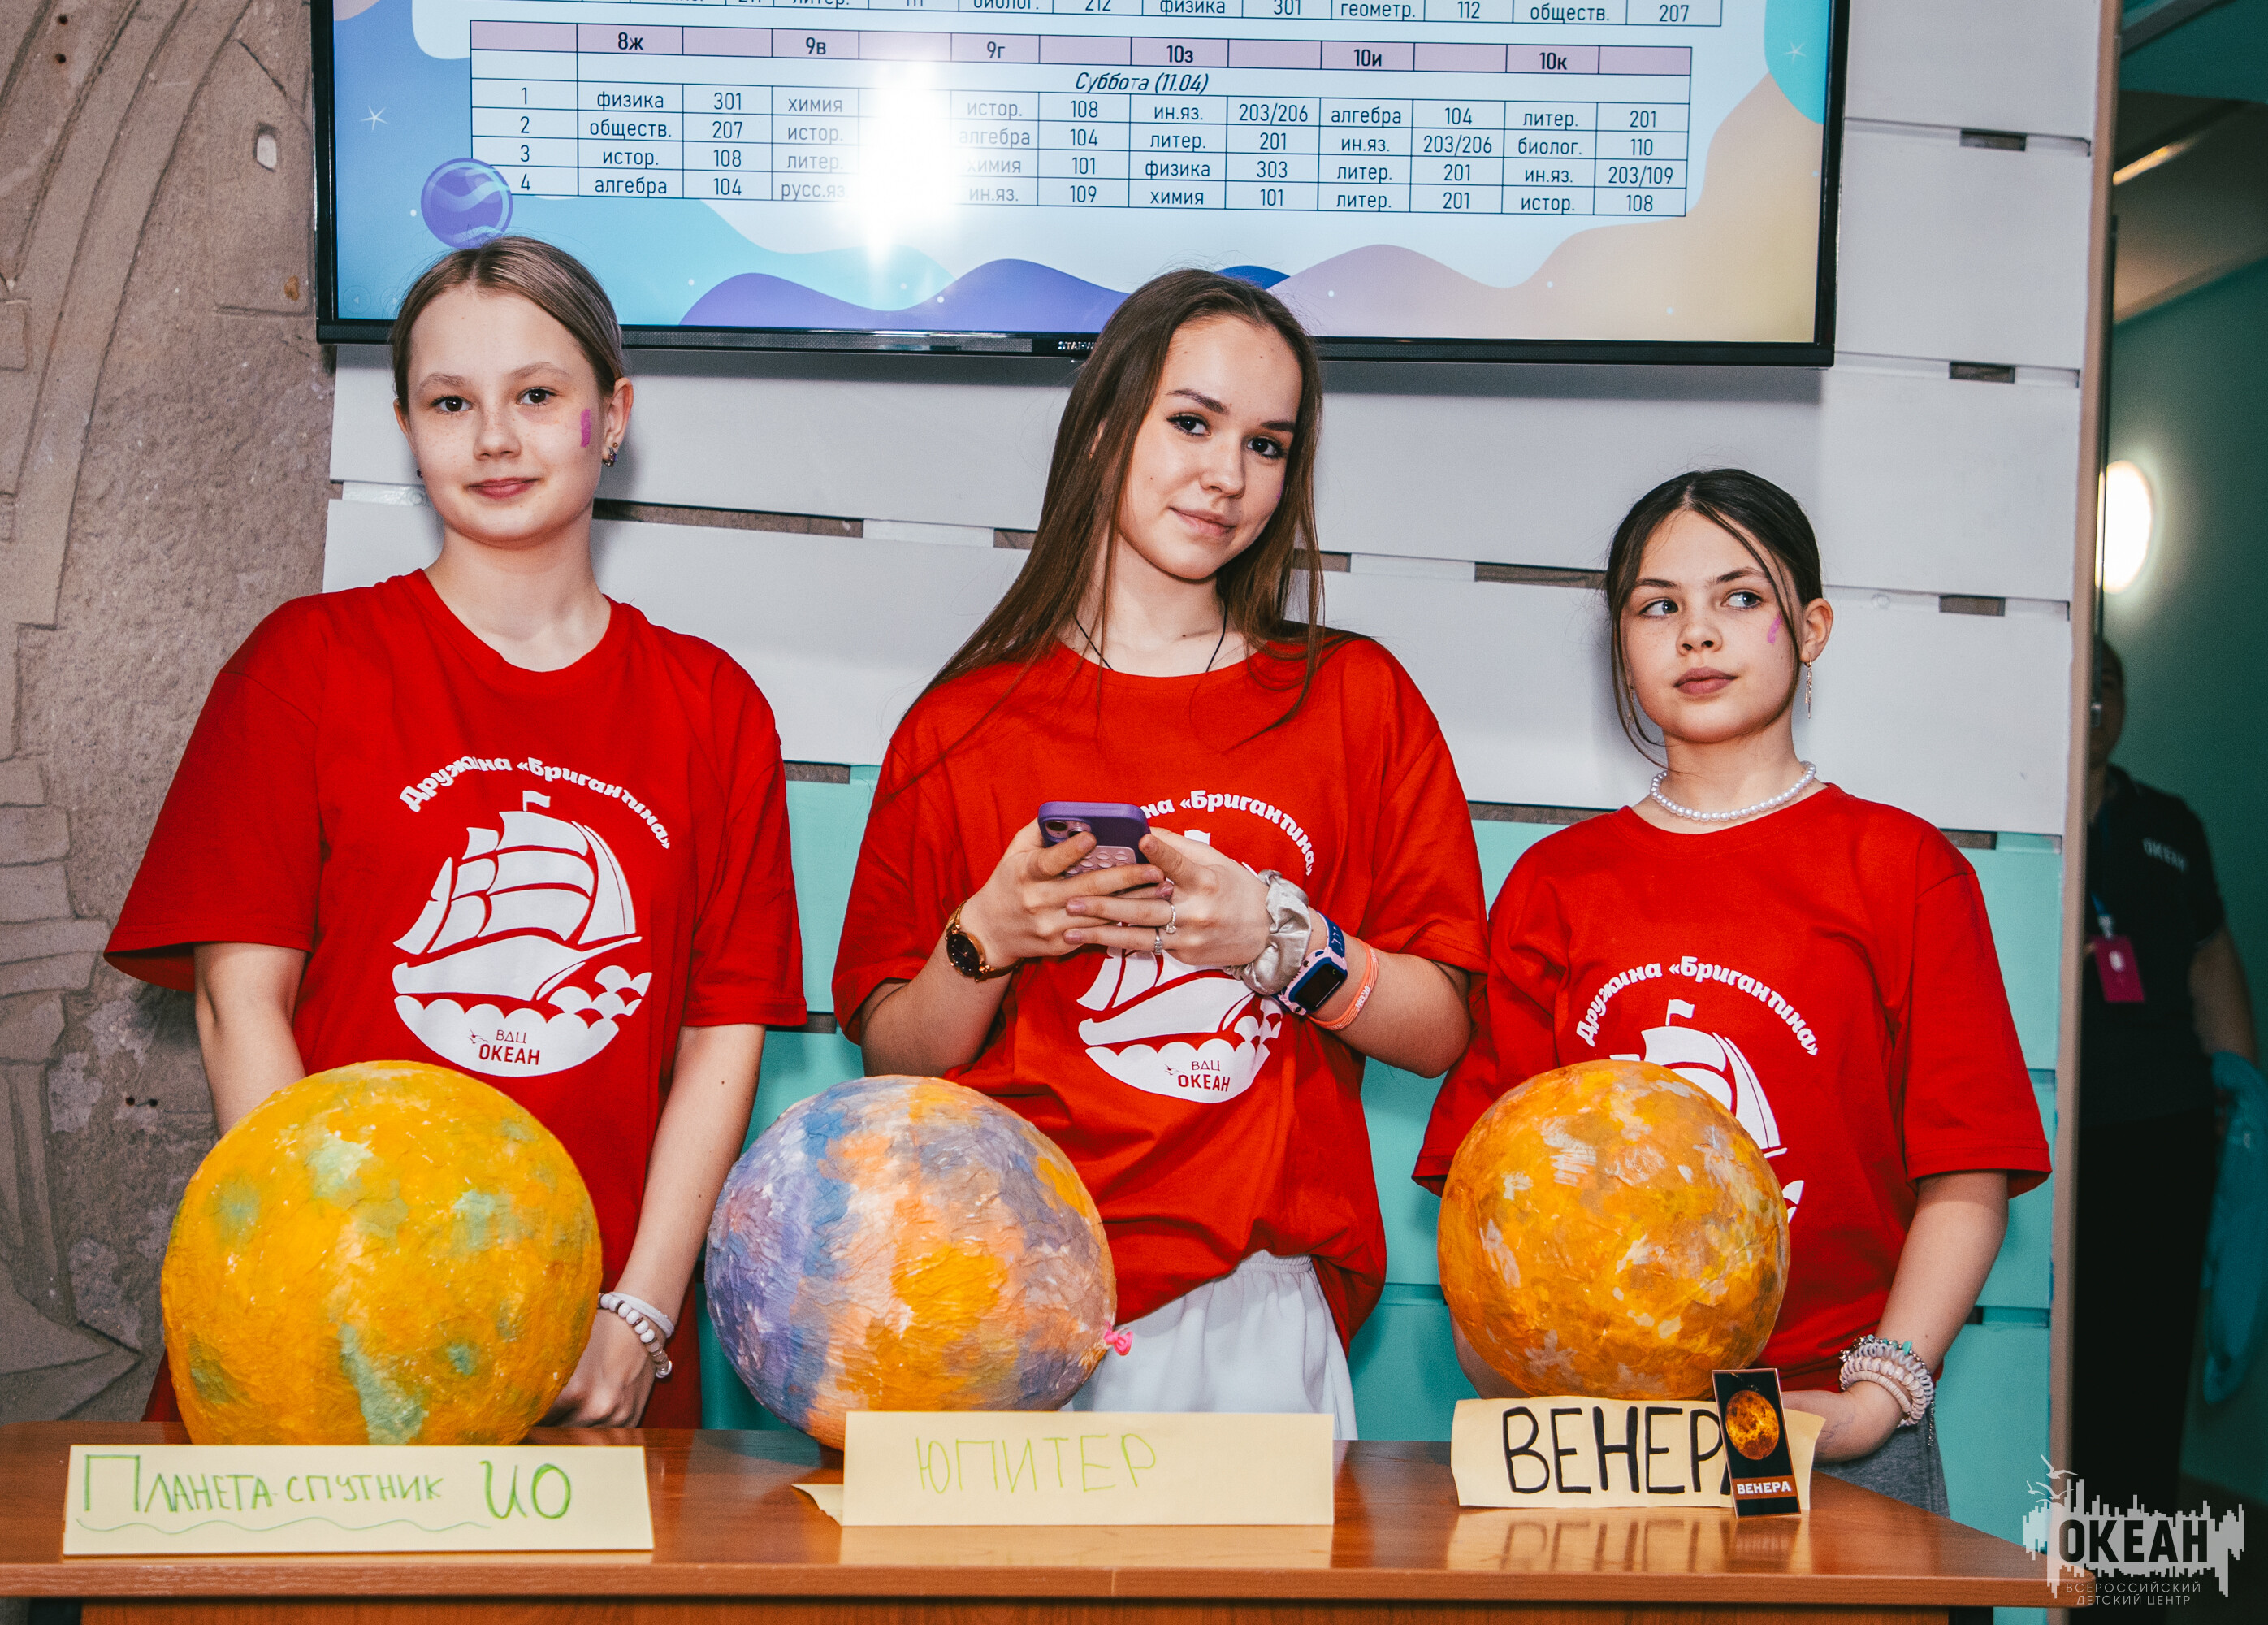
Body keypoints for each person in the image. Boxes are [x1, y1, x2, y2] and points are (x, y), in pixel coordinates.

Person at [106, 238, 806, 1428]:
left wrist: (639, 1316)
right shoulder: (304, 666)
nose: (494, 439)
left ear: (611, 416)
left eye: (536, 395)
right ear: (406, 428)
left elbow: (720, 1040)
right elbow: (238, 1005)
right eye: (449, 403)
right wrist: (341, 1288)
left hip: (591, 1349)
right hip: (320, 1322)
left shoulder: (713, 707)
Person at [832, 270, 1488, 1438]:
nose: (1228, 475)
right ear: (1102, 428)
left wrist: (1278, 942)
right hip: (1003, 1295)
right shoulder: (962, 724)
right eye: (1192, 421)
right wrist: (988, 939)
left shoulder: (1354, 698)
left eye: (1268, 444)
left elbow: (1439, 1028)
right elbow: (894, 1055)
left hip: (1252, 1309)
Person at [1412, 468, 2052, 1511]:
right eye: (1657, 606)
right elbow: (1489, 1185)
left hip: (1811, 1413)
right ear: (1622, 644)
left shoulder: (1903, 867)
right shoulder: (1555, 883)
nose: (1697, 633)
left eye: (1740, 597)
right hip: (1606, 1430)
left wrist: (1878, 1395)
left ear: (1813, 627)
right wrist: (1532, 1398)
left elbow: (1967, 1169)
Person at [2073, 639, 2257, 1522]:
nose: (2096, 702)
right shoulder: (2023, 820)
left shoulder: (2171, 825)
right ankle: (2050, 1552)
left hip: (2166, 1128)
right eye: (2082, 683)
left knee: (2149, 1352)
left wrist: (2243, 1102)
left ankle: (2132, 1562)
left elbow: (2212, 956)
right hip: (2063, 1133)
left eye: (2110, 685)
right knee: (2068, 1349)